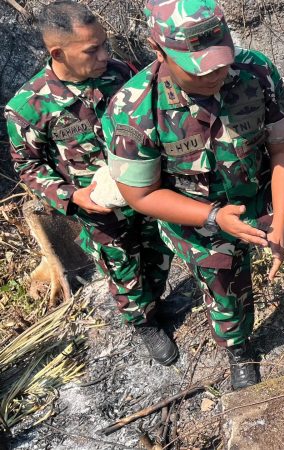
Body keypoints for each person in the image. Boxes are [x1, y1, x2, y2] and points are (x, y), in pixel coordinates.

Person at [103, 0, 284, 390]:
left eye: (222, 59)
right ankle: (240, 351)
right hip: (198, 216)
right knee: (226, 296)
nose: (219, 74)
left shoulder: (255, 71)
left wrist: (283, 218)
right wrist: (213, 218)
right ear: (160, 53)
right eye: (202, 68)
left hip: (263, 192)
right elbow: (142, 196)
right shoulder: (134, 109)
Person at [4, 1, 177, 365]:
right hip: (100, 210)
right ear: (58, 53)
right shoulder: (29, 107)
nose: (103, 56)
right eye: (91, 50)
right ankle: (143, 323)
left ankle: (159, 301)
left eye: (105, 45)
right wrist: (72, 196)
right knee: (123, 270)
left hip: (146, 190)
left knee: (160, 253)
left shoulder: (120, 73)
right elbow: (29, 168)